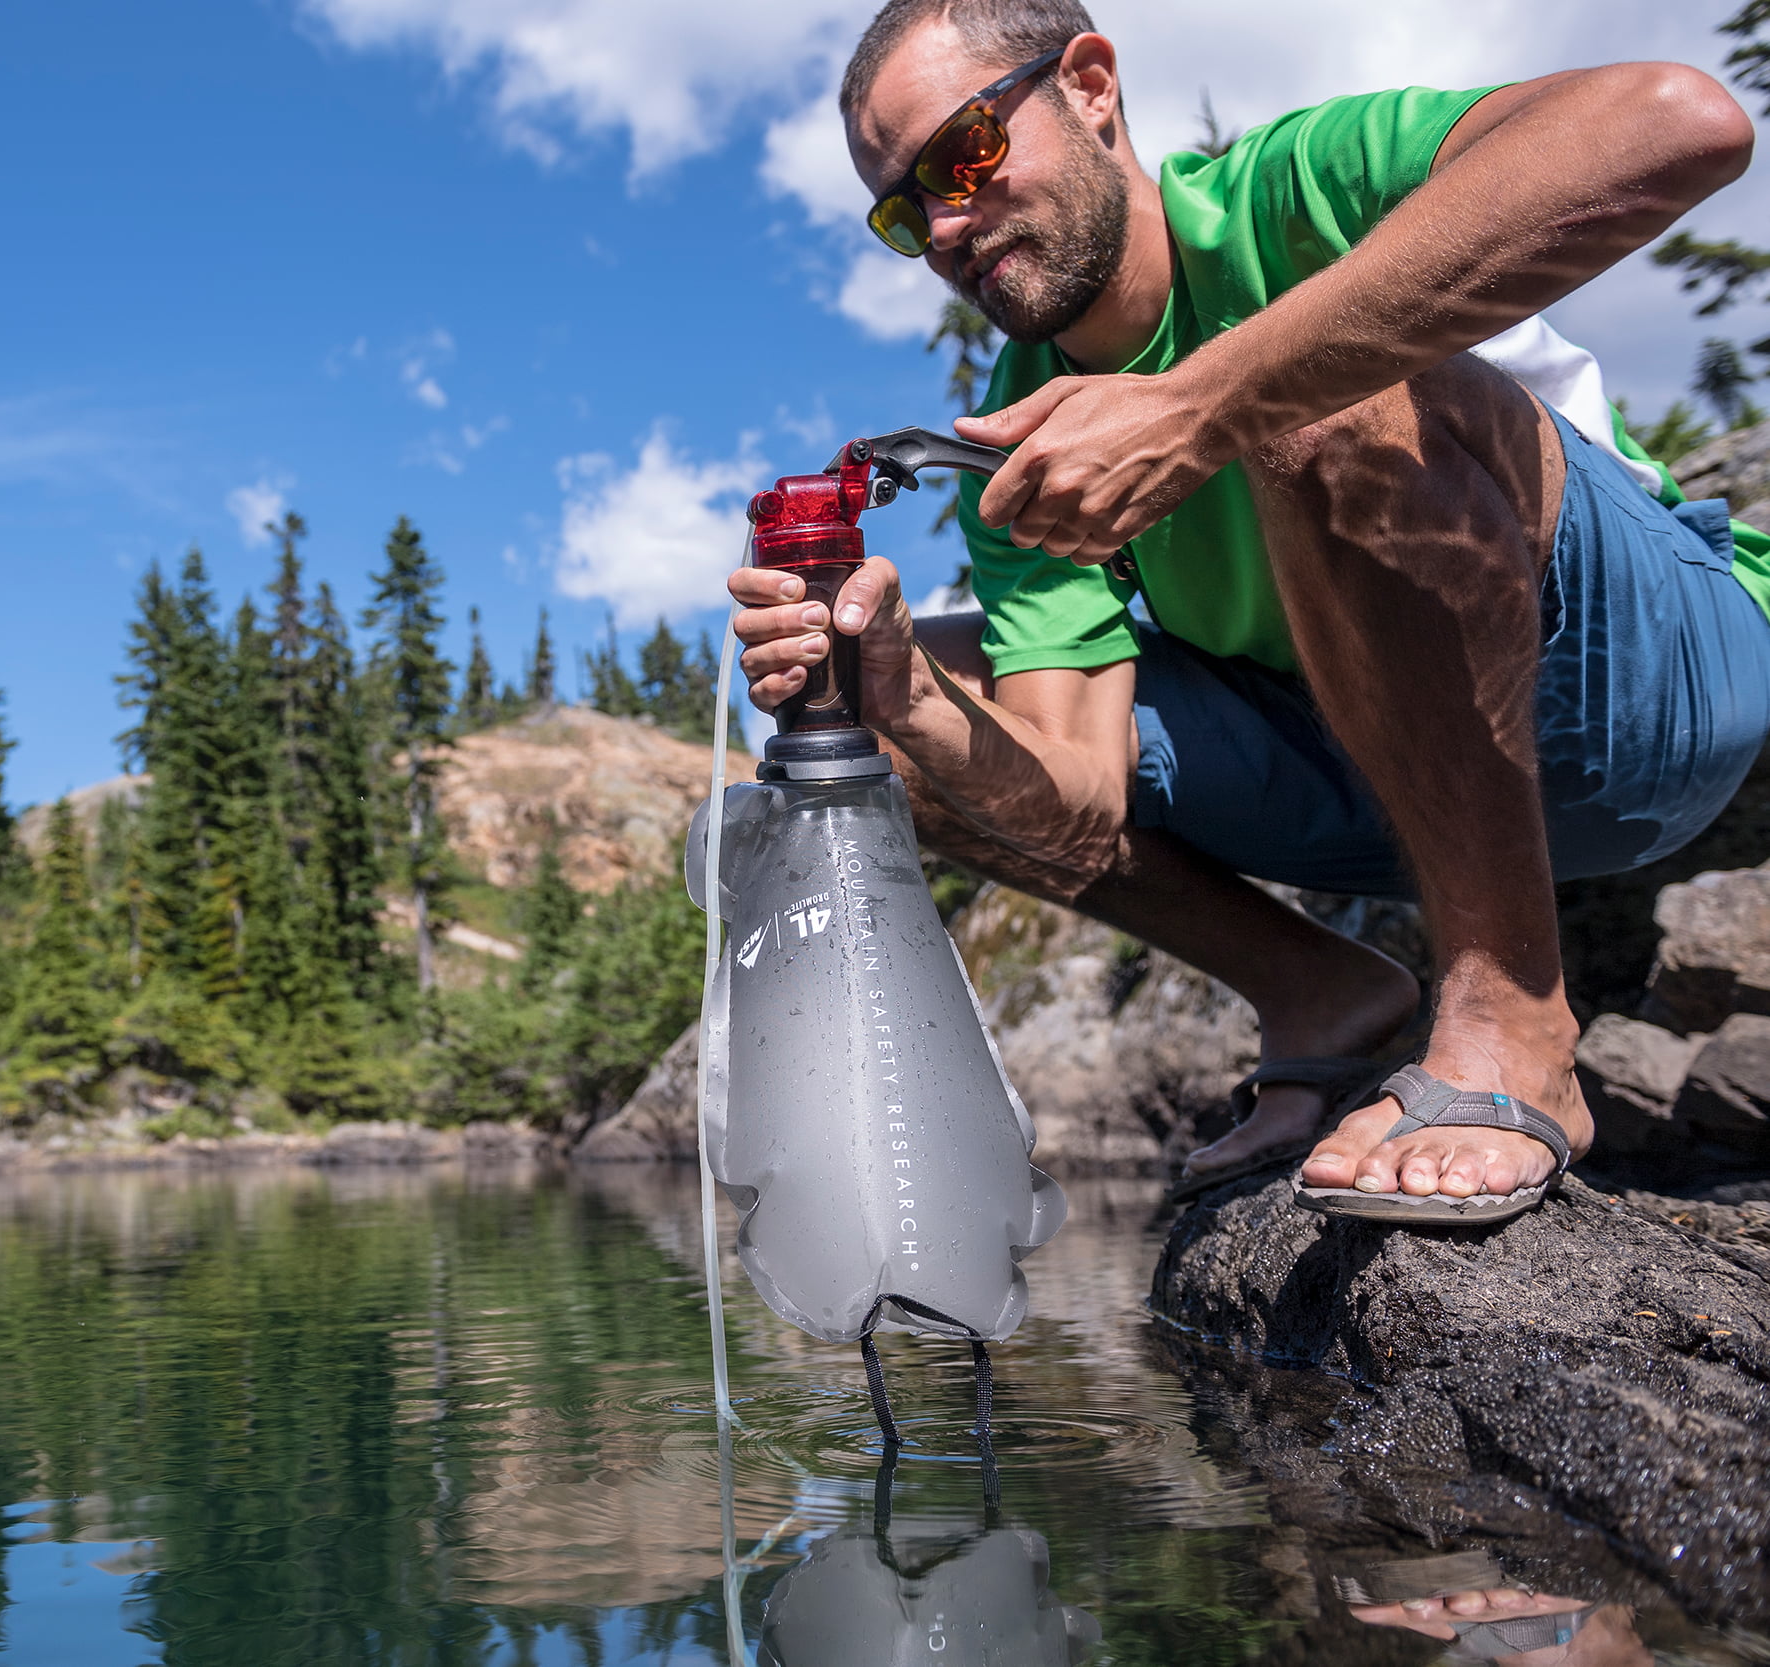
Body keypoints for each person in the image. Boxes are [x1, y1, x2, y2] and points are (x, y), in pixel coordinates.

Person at [730, 0, 1769, 1223]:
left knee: (1318, 411)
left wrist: (1196, 405)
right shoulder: (1018, 441)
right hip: (1382, 771)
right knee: (877, 743)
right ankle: (1327, 1000)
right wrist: (902, 696)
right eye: (906, 211)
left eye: (962, 156)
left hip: (1644, 684)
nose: (946, 226)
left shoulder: (1291, 188)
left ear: (1092, 84)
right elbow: (1078, 810)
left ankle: (1513, 1022)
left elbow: (1680, 124)